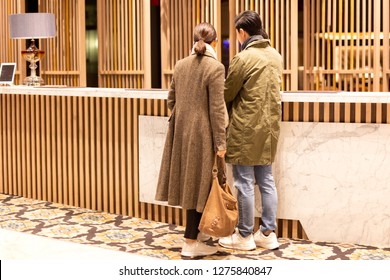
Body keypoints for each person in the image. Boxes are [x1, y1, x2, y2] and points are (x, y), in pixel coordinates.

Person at [155, 22, 226, 257]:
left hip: (181, 133)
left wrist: (183, 120)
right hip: (204, 134)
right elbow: (217, 110)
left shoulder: (180, 65)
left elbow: (171, 101)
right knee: (202, 184)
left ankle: (199, 236)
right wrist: (221, 143)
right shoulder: (215, 68)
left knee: (190, 183)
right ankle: (191, 242)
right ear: (214, 42)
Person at [218, 10, 283, 251]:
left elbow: (227, 92)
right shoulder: (276, 56)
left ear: (242, 33)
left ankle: (244, 235)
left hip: (245, 130)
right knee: (267, 181)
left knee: (244, 182)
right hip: (269, 131)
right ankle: (268, 232)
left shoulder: (243, 58)